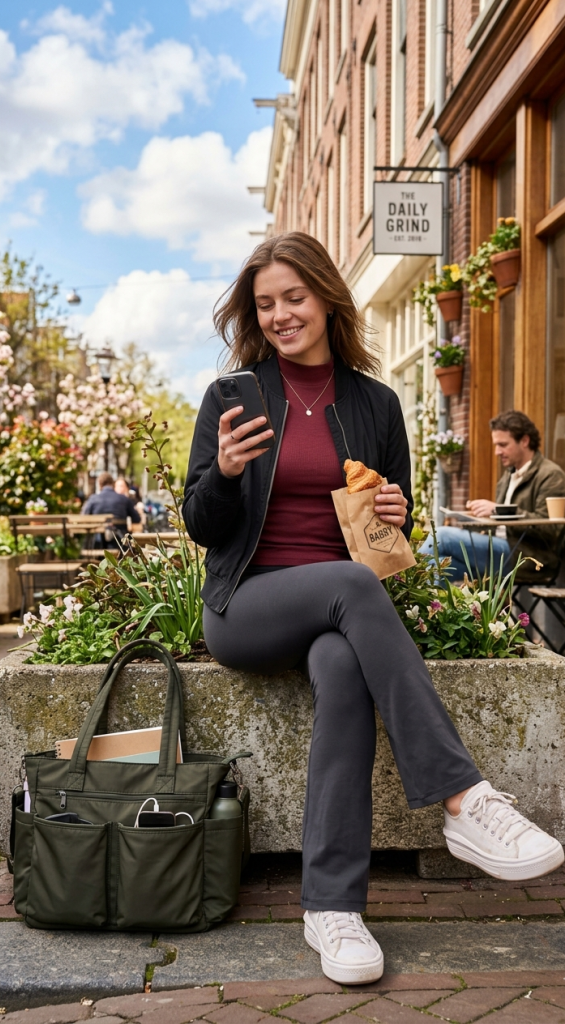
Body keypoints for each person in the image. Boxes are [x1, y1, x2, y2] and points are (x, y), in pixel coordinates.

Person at [182, 232, 564, 985]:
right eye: (266, 304)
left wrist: (396, 509)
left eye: (294, 297)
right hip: (247, 605)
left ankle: (333, 909)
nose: (282, 315)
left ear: (326, 296)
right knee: (347, 588)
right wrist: (223, 474)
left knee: (344, 671)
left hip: (337, 612)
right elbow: (203, 524)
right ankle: (463, 800)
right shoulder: (235, 397)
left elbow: (389, 537)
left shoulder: (374, 402)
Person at [420, 410, 565, 582]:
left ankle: (403, 592)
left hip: (529, 557)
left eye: (503, 445)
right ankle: (420, 607)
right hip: (502, 549)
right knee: (440, 567)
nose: (497, 452)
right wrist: (477, 517)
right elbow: (501, 523)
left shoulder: (550, 475)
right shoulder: (508, 477)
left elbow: (550, 529)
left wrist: (497, 510)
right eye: (496, 445)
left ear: (525, 441)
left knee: (441, 536)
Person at [82, 472, 141, 546]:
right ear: (112, 484)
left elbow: (83, 518)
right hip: (120, 544)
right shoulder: (124, 499)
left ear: (100, 484)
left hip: (97, 544)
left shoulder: (93, 499)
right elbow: (137, 519)